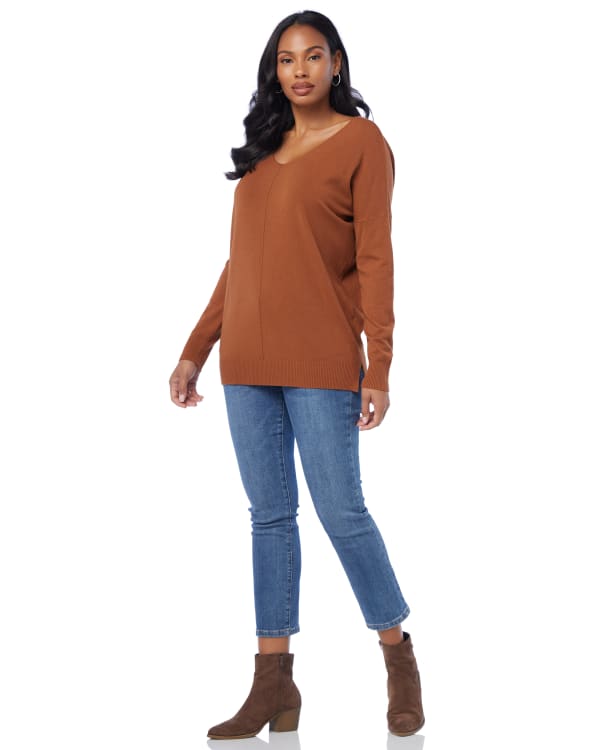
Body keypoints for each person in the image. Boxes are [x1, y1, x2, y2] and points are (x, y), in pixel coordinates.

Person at [168, 9, 425, 741]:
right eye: (287, 59)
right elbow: (240, 264)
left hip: (321, 359)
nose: (300, 70)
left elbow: (376, 259)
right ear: (274, 70)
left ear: (337, 63)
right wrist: (196, 348)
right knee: (270, 518)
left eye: (314, 56)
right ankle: (273, 682)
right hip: (247, 361)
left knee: (342, 511)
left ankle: (398, 656)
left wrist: (381, 364)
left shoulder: (363, 143)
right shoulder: (260, 153)